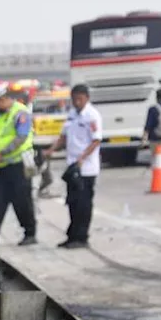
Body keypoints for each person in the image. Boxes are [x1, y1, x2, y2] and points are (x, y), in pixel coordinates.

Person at [44, 84, 102, 248]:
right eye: (74, 99)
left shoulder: (92, 116)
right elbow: (63, 137)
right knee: (72, 202)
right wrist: (51, 150)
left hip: (86, 169)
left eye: (80, 99)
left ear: (86, 98)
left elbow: (96, 140)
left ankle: (82, 237)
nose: (77, 102)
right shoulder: (71, 115)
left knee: (83, 204)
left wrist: (82, 158)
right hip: (72, 167)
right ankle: (72, 236)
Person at [0, 85, 38, 247]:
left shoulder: (20, 113)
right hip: (3, 166)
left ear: (3, 99)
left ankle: (30, 233)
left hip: (20, 165)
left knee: (22, 201)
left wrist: (1, 154)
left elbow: (21, 137)